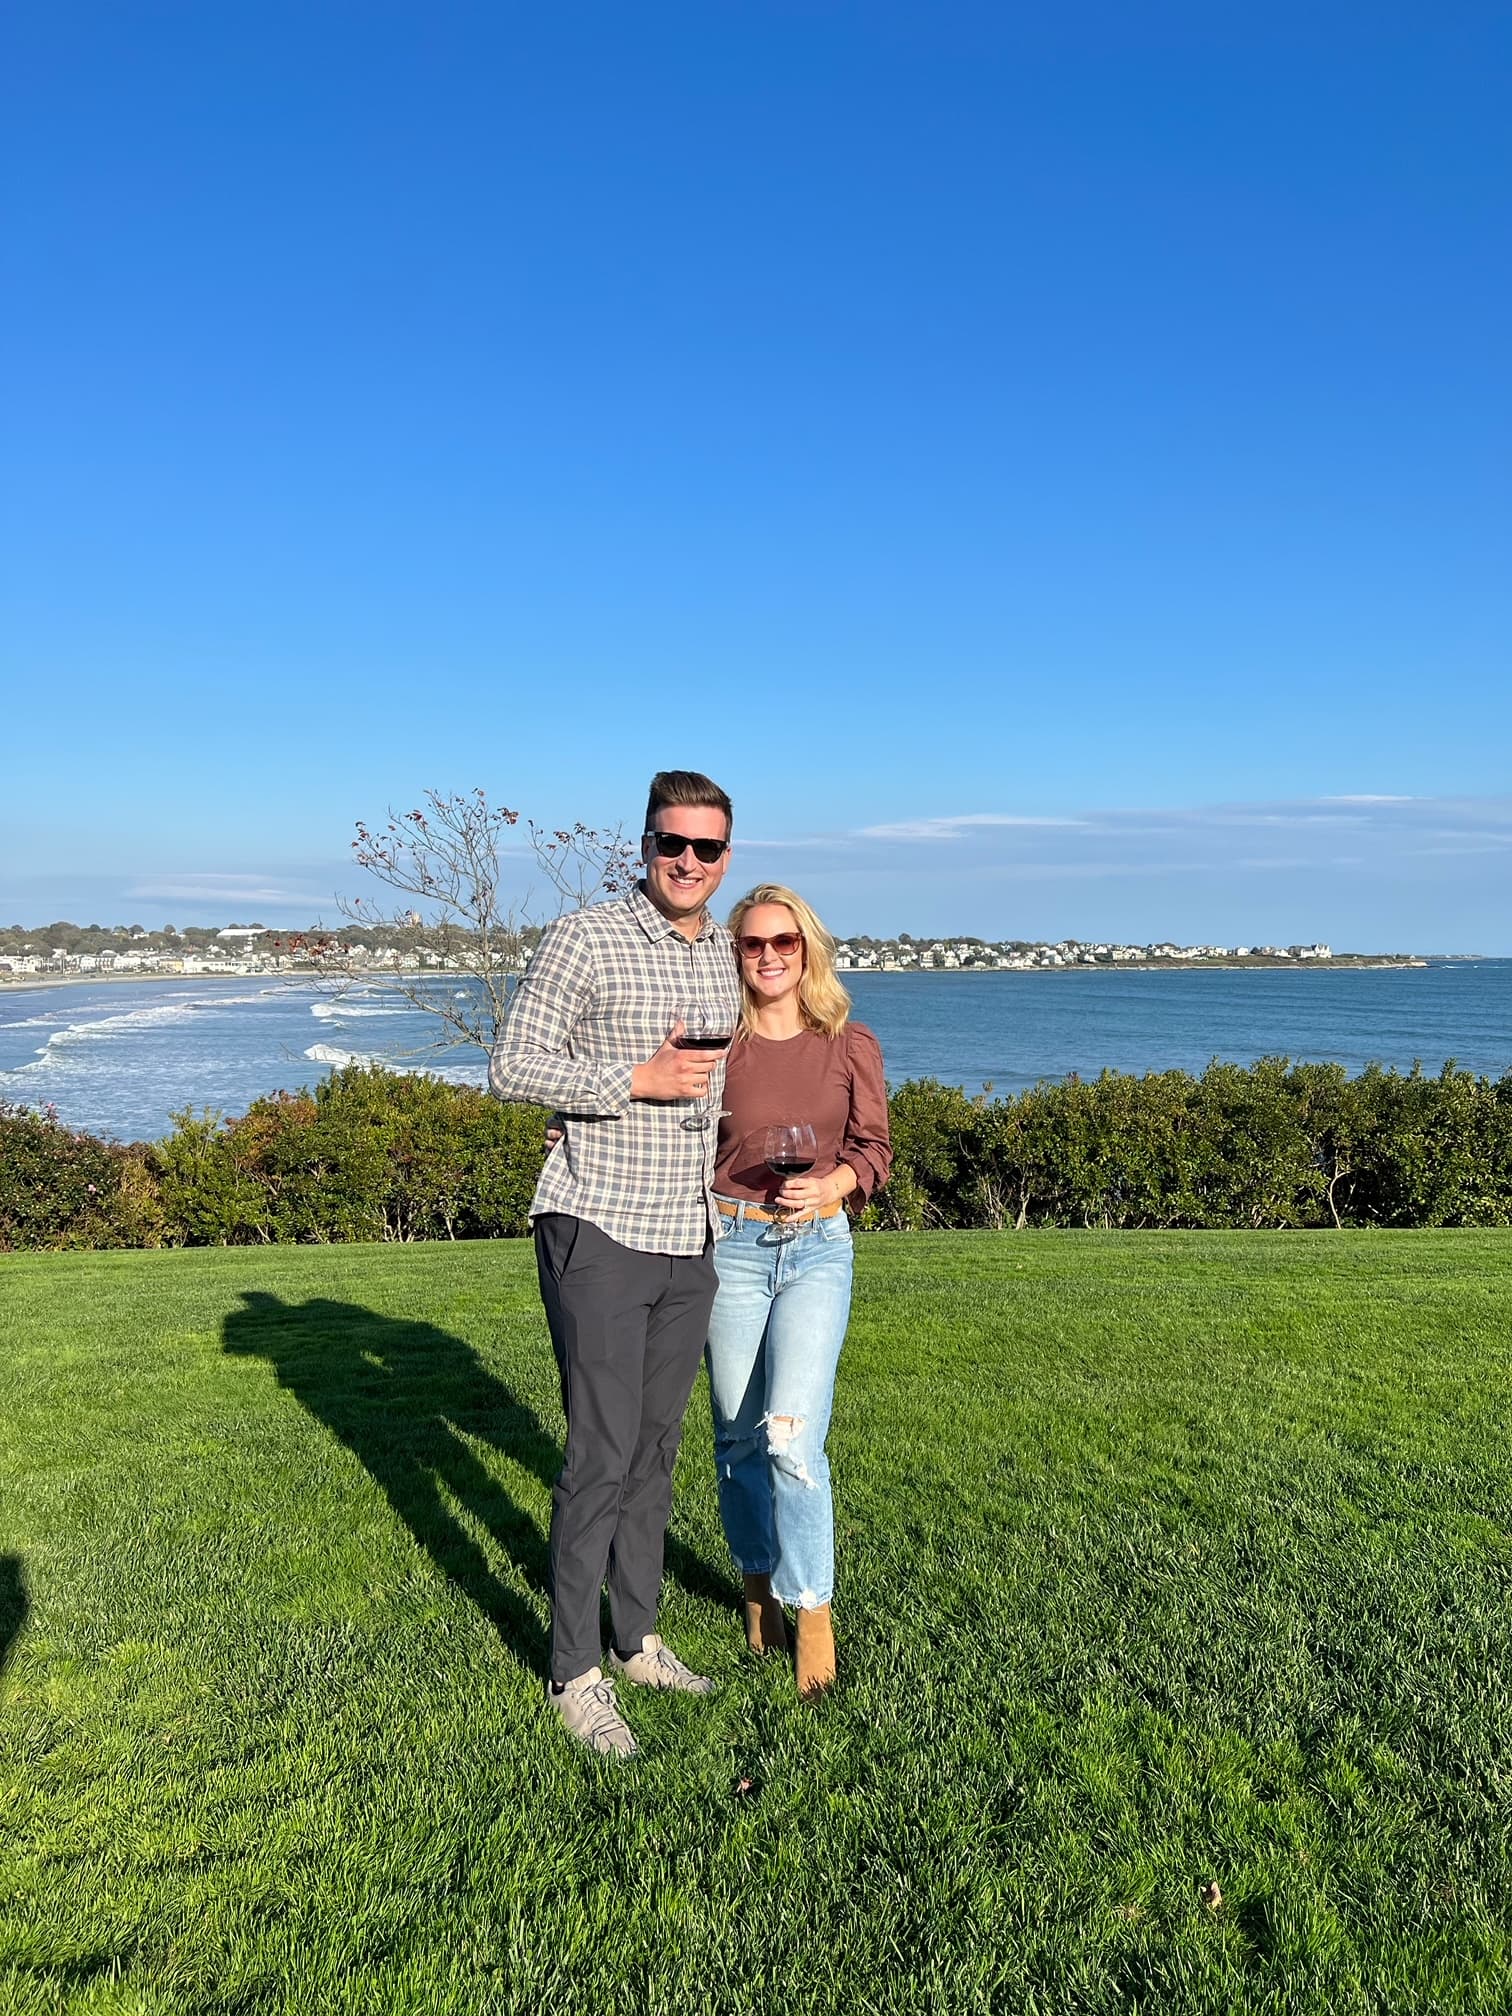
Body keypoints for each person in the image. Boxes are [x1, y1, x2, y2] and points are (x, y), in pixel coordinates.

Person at [489, 770, 741, 1757]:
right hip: (596, 1225)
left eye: (706, 849)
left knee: (655, 1449)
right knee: (598, 1454)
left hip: (692, 1233)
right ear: (643, 845)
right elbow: (512, 1066)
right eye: (670, 844)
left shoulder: (727, 953)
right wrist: (624, 1081)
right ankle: (573, 1672)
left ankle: (636, 1638)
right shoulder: (587, 938)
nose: (686, 862)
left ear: (727, 857)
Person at [705, 883, 891, 1699]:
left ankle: (811, 1609)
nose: (770, 956)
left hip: (817, 1249)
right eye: (753, 944)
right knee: (739, 1438)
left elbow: (876, 1149)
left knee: (790, 1439)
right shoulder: (716, 1049)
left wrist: (837, 1184)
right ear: (736, 954)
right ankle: (755, 1587)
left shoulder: (852, 1045)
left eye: (786, 941)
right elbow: (659, 1127)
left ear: (808, 949)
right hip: (731, 1248)